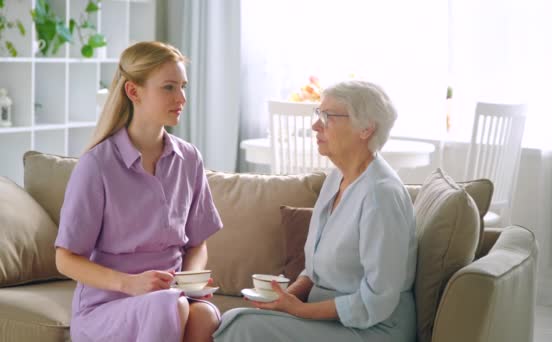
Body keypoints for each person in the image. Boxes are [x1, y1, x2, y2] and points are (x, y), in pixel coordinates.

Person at [213, 80, 417, 342]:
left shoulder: (381, 195)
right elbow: (314, 271)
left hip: (372, 330)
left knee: (242, 326)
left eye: (328, 116)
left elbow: (377, 300)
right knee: (239, 318)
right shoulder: (336, 179)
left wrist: (301, 310)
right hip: (331, 322)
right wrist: (285, 299)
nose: (315, 125)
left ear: (366, 129)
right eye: (318, 114)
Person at [54, 41, 223, 342]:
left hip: (172, 299)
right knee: (171, 306)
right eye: (169, 88)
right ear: (134, 92)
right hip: (107, 308)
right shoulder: (98, 165)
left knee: (204, 314)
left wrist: (187, 281)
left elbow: (197, 243)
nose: (182, 97)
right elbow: (65, 258)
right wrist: (131, 284)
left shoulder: (189, 160)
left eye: (183, 86)